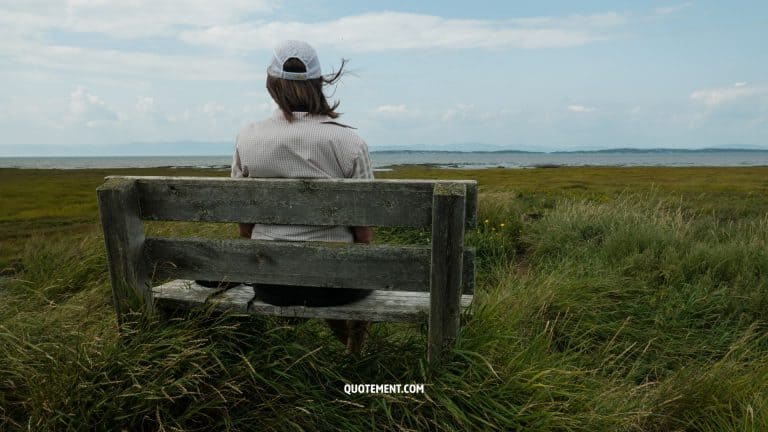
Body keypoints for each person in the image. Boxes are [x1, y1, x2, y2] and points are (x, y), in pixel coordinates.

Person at [231, 40, 373, 353]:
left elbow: (245, 228)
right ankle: (356, 353)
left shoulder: (247, 138)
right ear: (319, 83)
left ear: (271, 84)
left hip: (271, 285)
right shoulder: (348, 142)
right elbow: (363, 235)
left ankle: (348, 349)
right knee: (351, 265)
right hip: (337, 288)